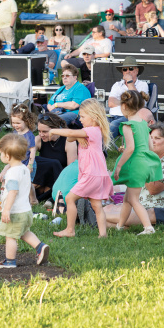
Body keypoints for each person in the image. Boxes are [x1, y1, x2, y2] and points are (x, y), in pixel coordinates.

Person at [104, 122, 164, 225]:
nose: (152, 141)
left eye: (157, 138)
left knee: (107, 213)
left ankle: (95, 217)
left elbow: (153, 189)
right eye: (151, 138)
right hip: (146, 204)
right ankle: (98, 219)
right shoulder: (158, 158)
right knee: (109, 209)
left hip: (161, 210)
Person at [51, 99, 114, 238]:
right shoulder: (93, 131)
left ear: (94, 117)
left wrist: (53, 130)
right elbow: (70, 139)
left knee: (69, 198)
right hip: (97, 174)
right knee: (97, 205)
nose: (80, 119)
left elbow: (70, 134)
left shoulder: (91, 130)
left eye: (83, 116)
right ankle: (103, 234)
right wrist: (78, 137)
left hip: (90, 174)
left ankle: (70, 230)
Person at [0, 133, 50, 269]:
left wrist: (6, 210)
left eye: (1, 153)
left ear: (7, 156)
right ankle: (40, 247)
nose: (0, 156)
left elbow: (13, 191)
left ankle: (10, 261)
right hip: (26, 211)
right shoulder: (24, 169)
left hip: (15, 212)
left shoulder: (12, 172)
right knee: (24, 232)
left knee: (10, 236)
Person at [107, 104, 161, 234]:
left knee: (133, 200)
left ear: (124, 106)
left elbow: (130, 148)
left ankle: (148, 227)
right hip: (144, 164)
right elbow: (151, 148)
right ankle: (120, 226)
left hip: (135, 166)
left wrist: (119, 165)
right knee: (127, 199)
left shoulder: (128, 125)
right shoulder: (144, 125)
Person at [33, 113, 78, 204]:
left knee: (54, 163)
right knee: (36, 160)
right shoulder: (38, 140)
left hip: (60, 177)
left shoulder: (68, 141)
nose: (41, 134)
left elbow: (71, 169)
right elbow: (24, 159)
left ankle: (49, 196)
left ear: (56, 129)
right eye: (39, 131)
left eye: (45, 131)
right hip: (43, 177)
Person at [107, 57, 151, 135]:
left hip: (130, 117)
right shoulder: (117, 85)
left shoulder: (143, 85)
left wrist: (130, 82)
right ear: (122, 72)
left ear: (137, 71)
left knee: (113, 125)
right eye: (125, 69)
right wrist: (128, 102)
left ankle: (103, 143)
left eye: (130, 68)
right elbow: (111, 103)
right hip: (112, 116)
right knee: (96, 122)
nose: (127, 71)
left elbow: (138, 103)